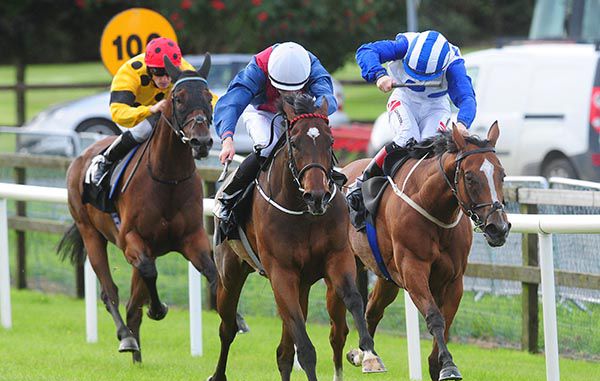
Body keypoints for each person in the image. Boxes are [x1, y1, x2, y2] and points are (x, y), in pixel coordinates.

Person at [214, 41, 337, 221]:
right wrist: (227, 139)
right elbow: (231, 102)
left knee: (313, 142)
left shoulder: (311, 65)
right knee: (267, 146)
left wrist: (312, 114)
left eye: (293, 89)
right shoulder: (258, 68)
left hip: (301, 112)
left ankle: (334, 185)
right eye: (282, 90)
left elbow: (328, 98)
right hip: (262, 111)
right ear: (270, 76)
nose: (287, 95)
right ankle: (229, 196)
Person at [348, 30, 477, 197]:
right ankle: (362, 181)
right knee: (407, 135)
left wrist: (462, 123)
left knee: (429, 147)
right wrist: (379, 74)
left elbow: (467, 98)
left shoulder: (454, 65)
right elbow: (366, 51)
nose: (419, 80)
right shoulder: (404, 45)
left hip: (436, 106)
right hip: (404, 98)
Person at [87, 37, 213, 185]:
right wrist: (149, 110)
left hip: (166, 113)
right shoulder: (129, 73)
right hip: (133, 116)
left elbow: (205, 96)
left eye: (169, 73)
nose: (164, 79)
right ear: (148, 68)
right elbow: (118, 113)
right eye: (158, 72)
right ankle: (105, 160)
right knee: (143, 130)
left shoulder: (183, 68)